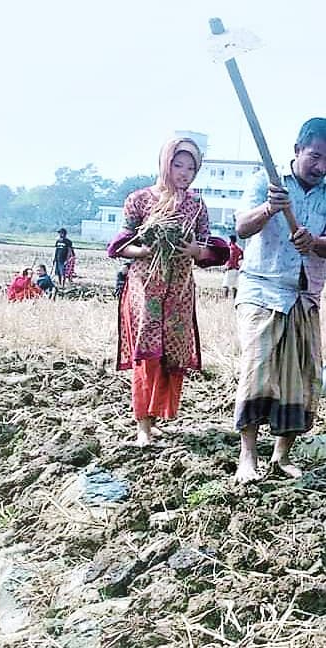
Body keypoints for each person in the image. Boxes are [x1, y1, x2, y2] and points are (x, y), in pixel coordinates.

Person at [232, 118, 326, 481]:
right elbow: (241, 228)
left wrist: (313, 243)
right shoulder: (265, 183)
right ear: (297, 150)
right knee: (258, 370)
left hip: (304, 296)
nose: (321, 166)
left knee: (300, 377)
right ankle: (247, 455)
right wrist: (269, 209)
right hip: (261, 290)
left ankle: (281, 457)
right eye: (315, 156)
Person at [107, 137, 210, 446]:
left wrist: (193, 249)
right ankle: (142, 426)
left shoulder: (196, 205)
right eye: (178, 165)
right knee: (147, 353)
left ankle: (154, 417)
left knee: (170, 353)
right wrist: (145, 250)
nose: (184, 173)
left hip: (178, 288)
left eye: (191, 168)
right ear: (165, 164)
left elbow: (207, 249)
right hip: (145, 287)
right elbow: (120, 246)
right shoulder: (139, 199)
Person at [222, 234, 243, 299]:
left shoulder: (230, 248)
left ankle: (225, 298)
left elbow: (230, 258)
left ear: (231, 240)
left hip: (230, 268)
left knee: (226, 285)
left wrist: (227, 266)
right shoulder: (238, 248)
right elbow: (242, 256)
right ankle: (234, 298)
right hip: (236, 268)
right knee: (235, 286)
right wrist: (238, 260)